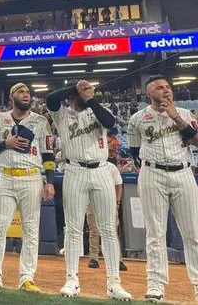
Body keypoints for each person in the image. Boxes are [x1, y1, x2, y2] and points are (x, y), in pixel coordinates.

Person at [46, 81, 131, 300]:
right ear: (72, 96)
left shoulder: (98, 112)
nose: (81, 97)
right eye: (77, 95)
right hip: (74, 170)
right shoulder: (62, 114)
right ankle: (72, 279)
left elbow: (110, 121)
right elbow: (51, 99)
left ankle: (114, 283)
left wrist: (89, 98)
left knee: (109, 229)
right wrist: (75, 88)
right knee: (73, 228)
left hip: (102, 169)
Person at [0, 83, 55, 292]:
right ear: (12, 97)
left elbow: (48, 153)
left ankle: (27, 278)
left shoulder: (40, 121)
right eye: (21, 92)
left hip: (31, 177)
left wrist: (50, 182)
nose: (26, 95)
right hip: (6, 176)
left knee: (30, 230)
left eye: (28, 92)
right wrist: (6, 143)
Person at [128, 75, 198, 302]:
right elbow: (134, 151)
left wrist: (175, 116)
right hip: (153, 172)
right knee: (155, 234)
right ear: (149, 93)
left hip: (183, 172)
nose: (166, 91)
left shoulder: (187, 114)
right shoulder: (138, 118)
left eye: (168, 87)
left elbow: (197, 140)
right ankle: (156, 285)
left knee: (194, 233)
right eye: (160, 88)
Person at [86, 162, 127, 271]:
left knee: (112, 231)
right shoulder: (89, 166)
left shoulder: (111, 167)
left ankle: (117, 259)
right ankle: (94, 258)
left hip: (109, 202)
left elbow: (119, 185)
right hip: (92, 201)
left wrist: (117, 202)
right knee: (94, 230)